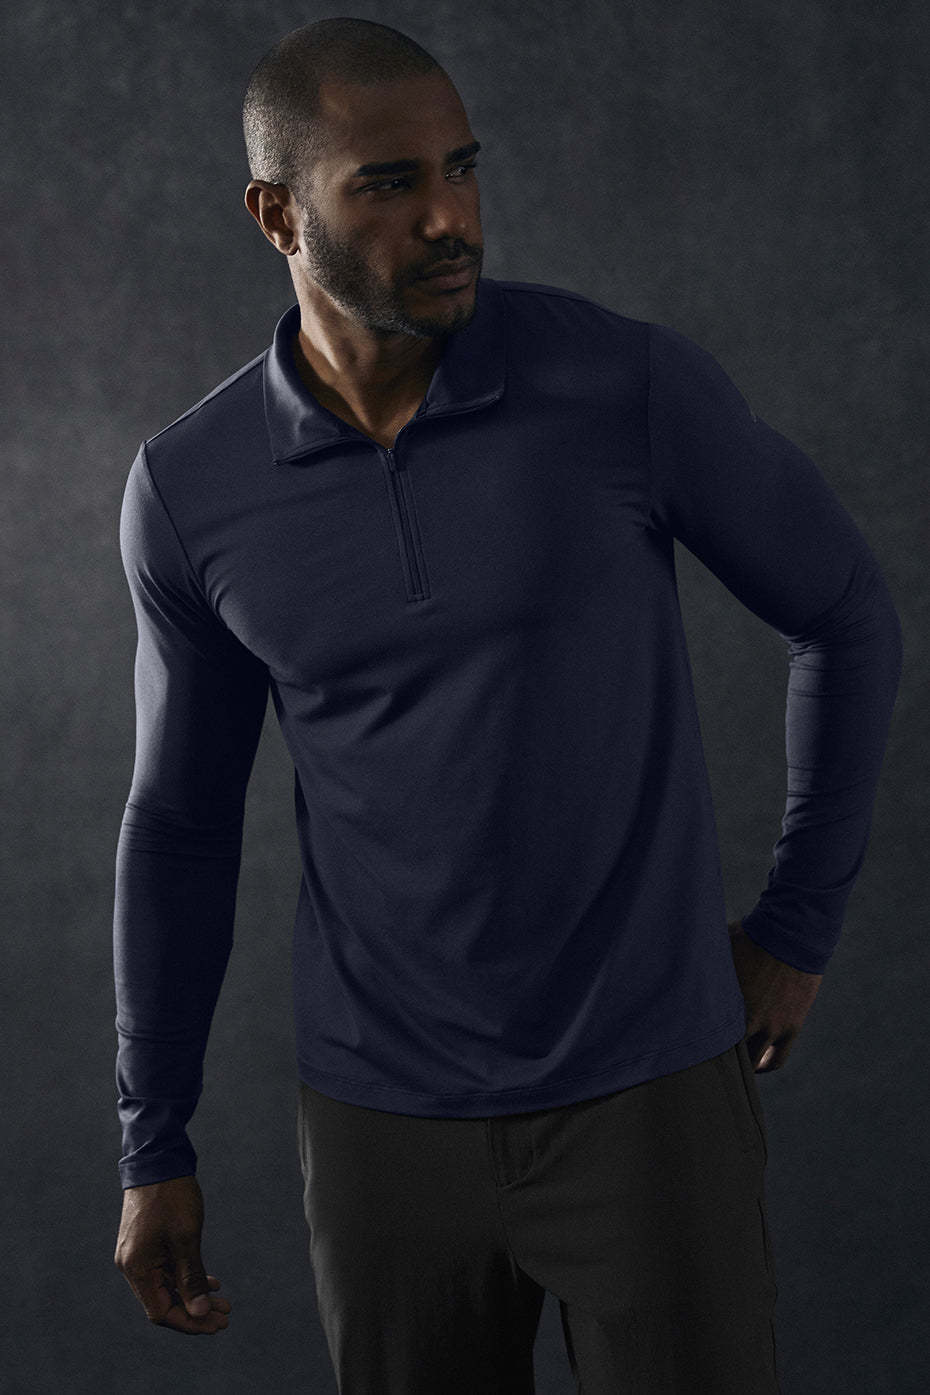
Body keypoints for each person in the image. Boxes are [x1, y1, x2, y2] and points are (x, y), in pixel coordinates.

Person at [111, 16, 903, 1393]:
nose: (449, 218)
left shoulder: (623, 386)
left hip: (650, 1098)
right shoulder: (191, 488)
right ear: (276, 216)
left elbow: (844, 614)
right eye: (389, 184)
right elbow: (179, 825)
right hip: (380, 1129)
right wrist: (151, 1141)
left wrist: (796, 922)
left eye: (462, 170)